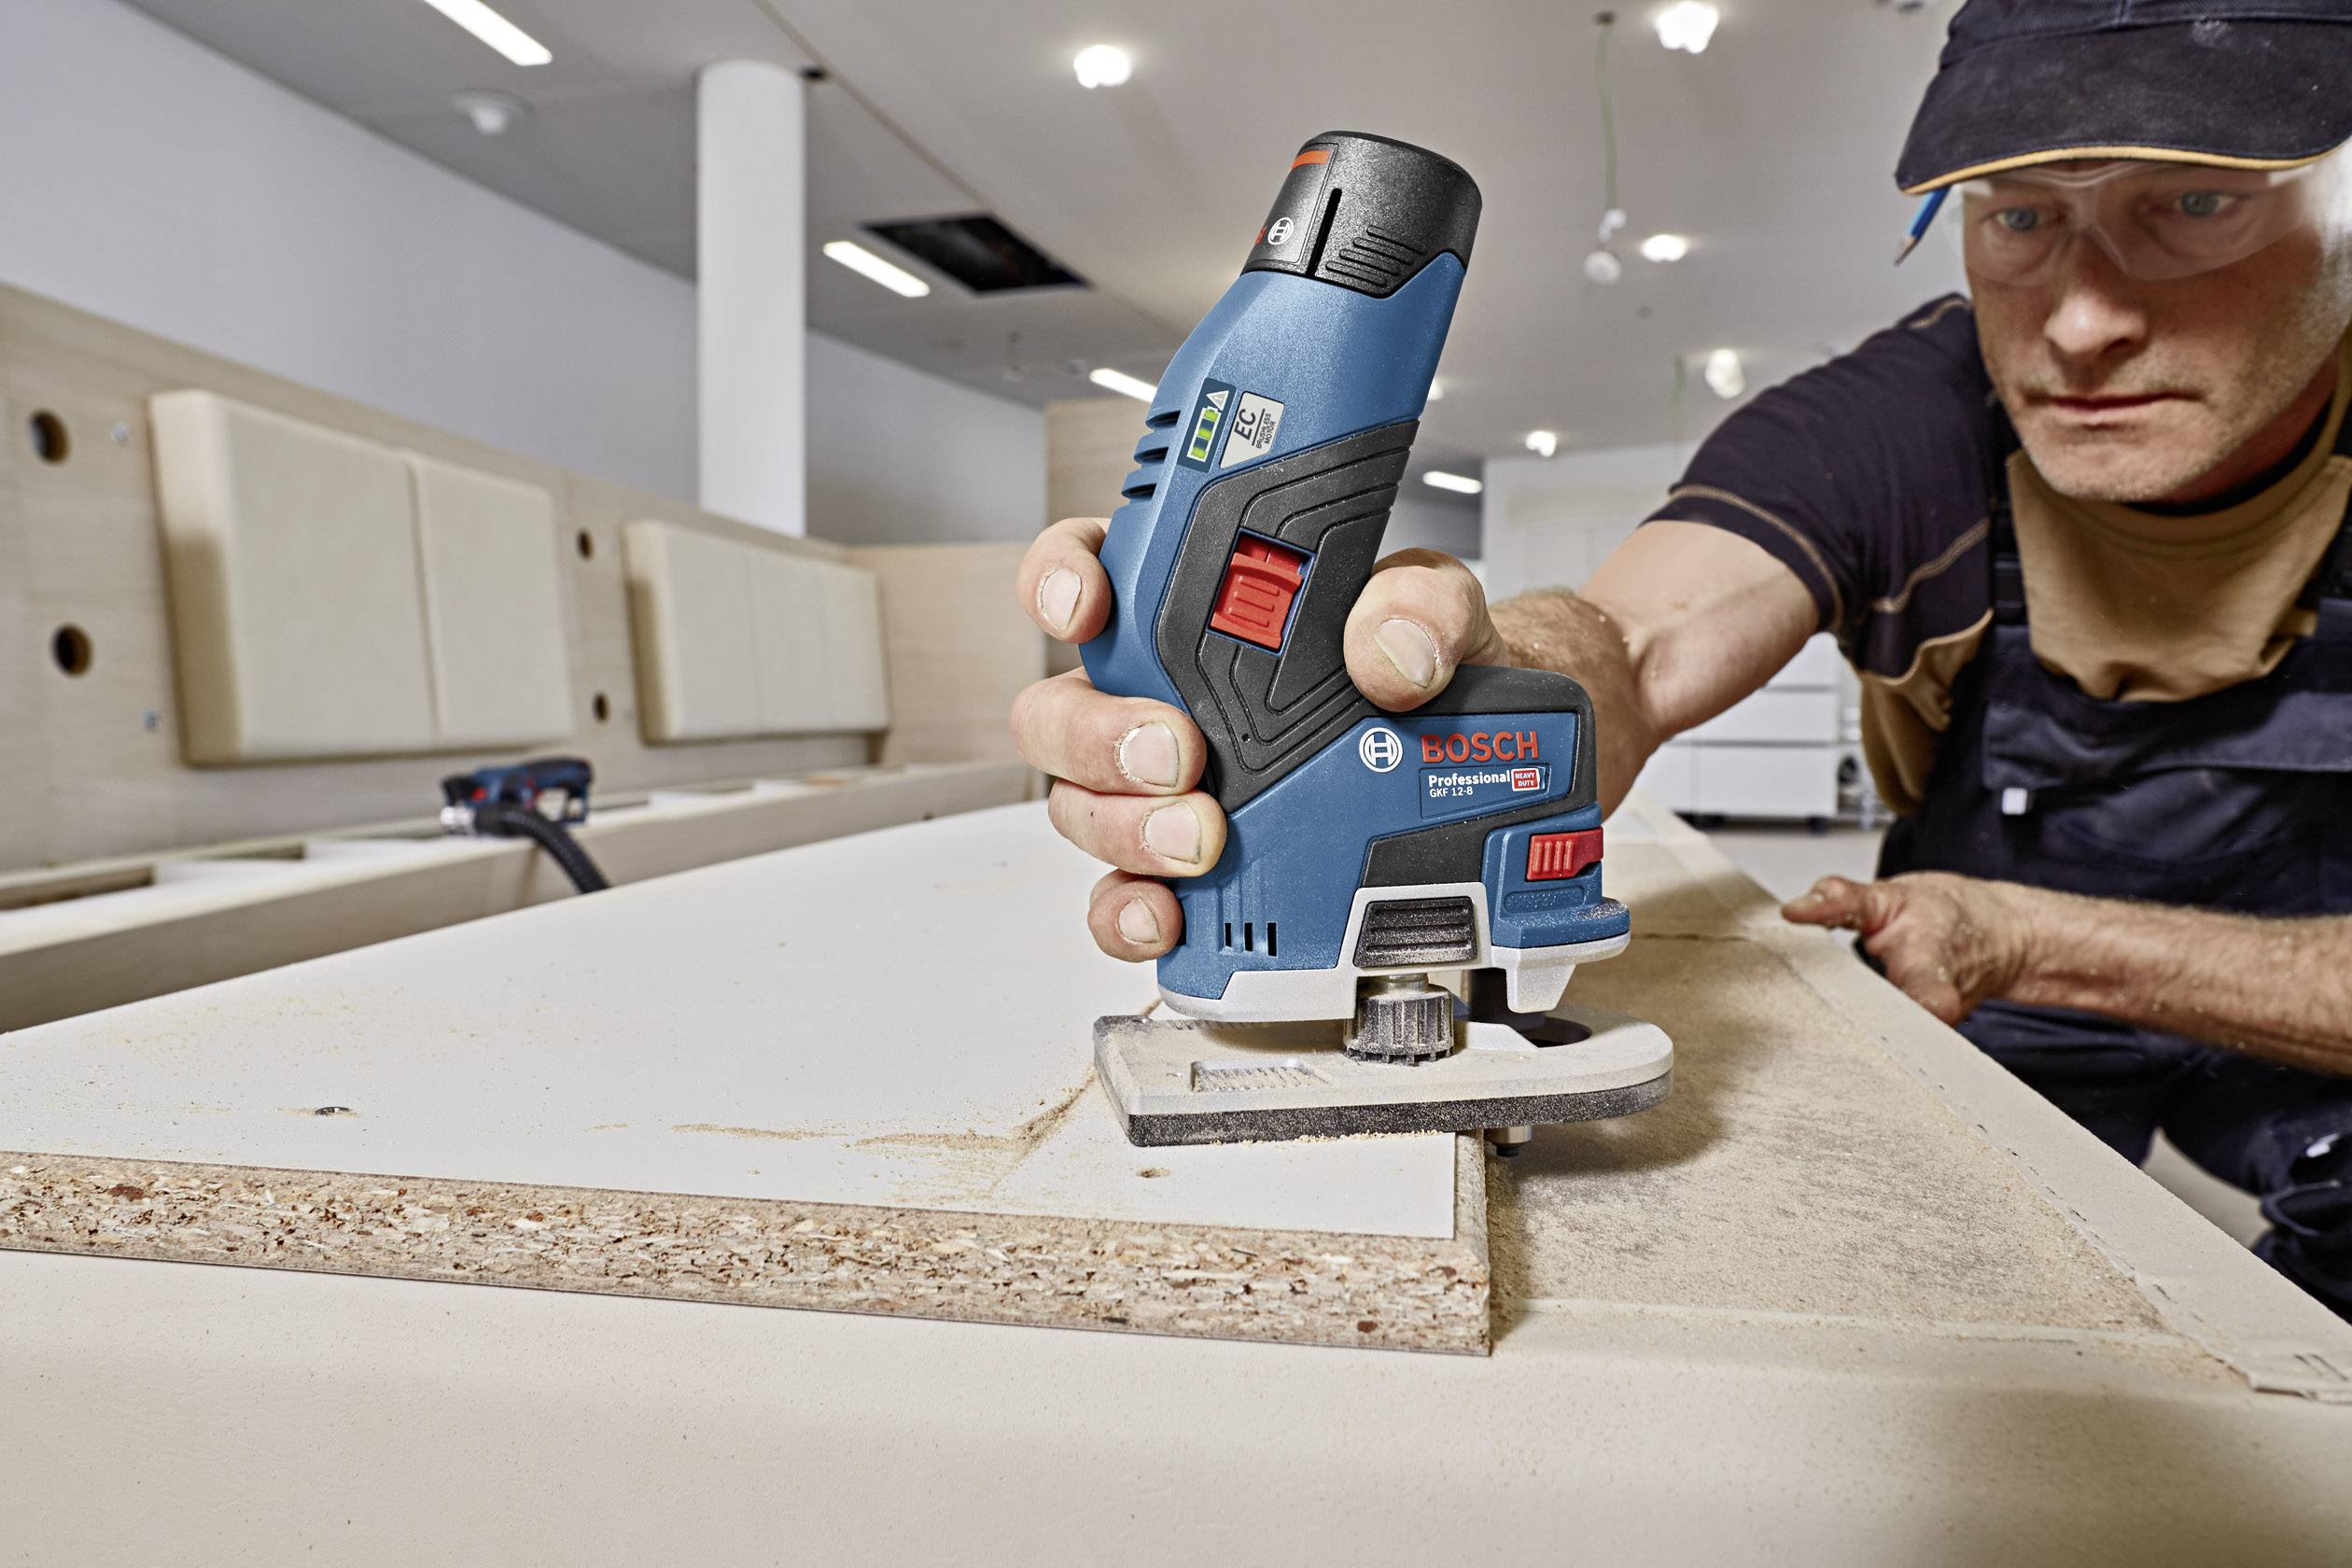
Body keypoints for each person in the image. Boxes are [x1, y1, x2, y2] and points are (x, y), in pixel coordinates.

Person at [1006, 0, 2352, 1315]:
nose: (2079, 324)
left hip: (2267, 999)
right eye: (2019, 216)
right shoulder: (1900, 421)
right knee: (1963, 1304)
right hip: (1980, 983)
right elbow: (1628, 653)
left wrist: (2022, 935)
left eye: (2191, 205)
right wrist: (1444, 684)